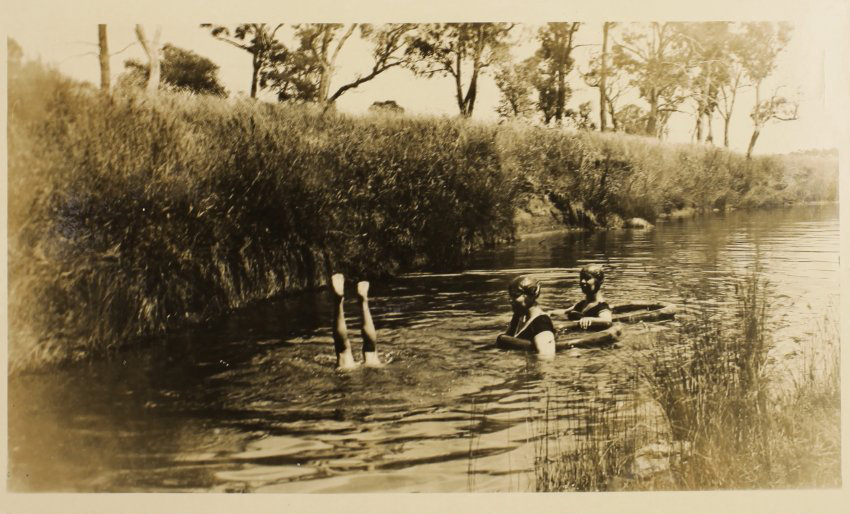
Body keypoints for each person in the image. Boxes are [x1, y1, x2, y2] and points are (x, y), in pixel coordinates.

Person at [330, 273, 383, 370]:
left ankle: (338, 300)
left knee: (343, 352)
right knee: (370, 352)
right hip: (373, 368)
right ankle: (364, 301)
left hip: (348, 370)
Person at [496, 275, 556, 356]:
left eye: (515, 295)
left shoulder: (541, 323)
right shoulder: (518, 316)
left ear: (529, 296)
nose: (510, 300)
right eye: (510, 295)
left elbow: (546, 359)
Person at [562, 264, 613, 329]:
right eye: (581, 278)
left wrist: (591, 319)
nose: (582, 281)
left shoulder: (601, 306)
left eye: (587, 278)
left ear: (598, 282)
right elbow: (564, 312)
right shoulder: (582, 304)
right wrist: (549, 313)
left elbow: (608, 320)